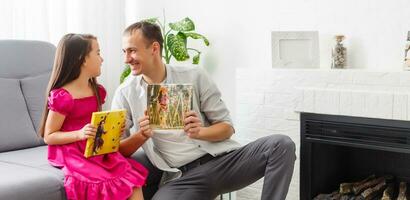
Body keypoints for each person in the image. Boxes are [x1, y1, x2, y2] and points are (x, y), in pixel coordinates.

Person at [112, 21, 296, 200]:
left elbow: (227, 128)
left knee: (281, 145)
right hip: (183, 179)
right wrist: (141, 136)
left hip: (221, 163)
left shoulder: (194, 75)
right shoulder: (125, 93)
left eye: (132, 51)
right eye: (124, 52)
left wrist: (201, 132)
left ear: (154, 48)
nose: (127, 59)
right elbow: (116, 151)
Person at [38, 33, 148, 200]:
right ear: (82, 59)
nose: (102, 59)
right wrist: (79, 134)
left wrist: (111, 130)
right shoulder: (63, 97)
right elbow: (49, 136)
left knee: (131, 181)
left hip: (94, 147)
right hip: (72, 151)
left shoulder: (96, 90)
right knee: (102, 182)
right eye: (97, 53)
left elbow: (95, 124)